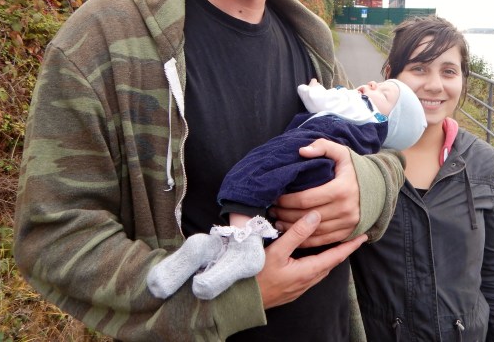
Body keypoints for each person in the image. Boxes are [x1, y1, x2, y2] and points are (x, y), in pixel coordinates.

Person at [12, 0, 407, 340]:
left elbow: (382, 151)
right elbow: (52, 238)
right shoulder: (103, 41)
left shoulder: (313, 42)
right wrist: (236, 298)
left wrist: (367, 188)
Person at [146, 77, 426, 301]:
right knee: (272, 200)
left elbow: (317, 98)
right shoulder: (370, 127)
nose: (373, 86)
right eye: (381, 83)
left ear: (388, 121)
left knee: (254, 172)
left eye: (386, 94)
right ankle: (213, 248)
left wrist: (314, 88)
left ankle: (243, 239)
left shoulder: (365, 108)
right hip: (316, 172)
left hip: (310, 153)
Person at [350, 16, 494, 341]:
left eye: (448, 71)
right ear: (390, 76)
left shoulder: (483, 162)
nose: (434, 85)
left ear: (463, 80)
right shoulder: (361, 160)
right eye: (418, 68)